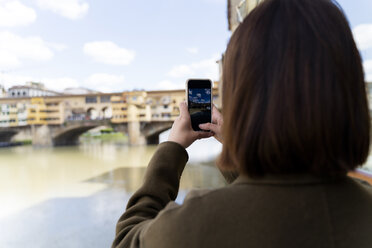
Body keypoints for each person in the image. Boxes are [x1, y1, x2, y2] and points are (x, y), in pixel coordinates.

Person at [112, 0, 372, 247]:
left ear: (240, 98)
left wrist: (172, 147)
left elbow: (127, 240)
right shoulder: (363, 201)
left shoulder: (197, 224)